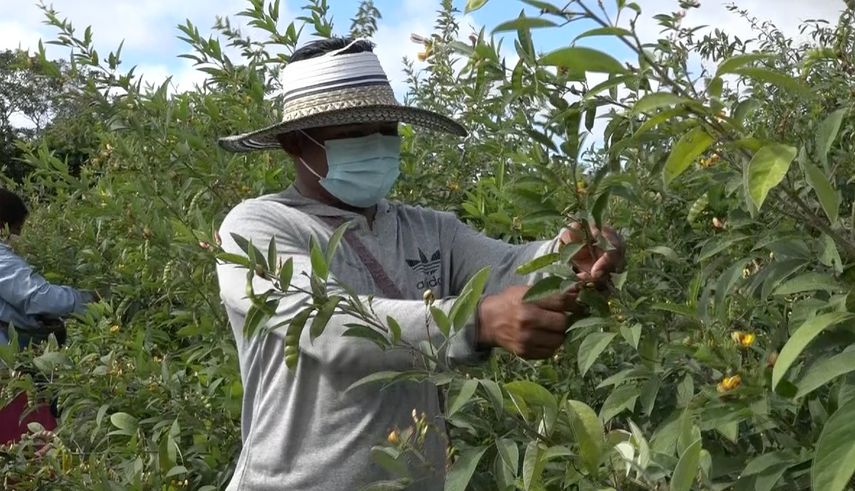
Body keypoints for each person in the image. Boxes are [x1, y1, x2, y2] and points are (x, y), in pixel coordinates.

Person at [215, 37, 625, 491]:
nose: (376, 145)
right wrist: (478, 322)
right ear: (295, 143)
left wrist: (568, 254)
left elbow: (510, 268)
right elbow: (325, 322)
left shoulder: (429, 230)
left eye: (387, 130)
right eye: (353, 134)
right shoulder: (258, 227)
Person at [0, 188, 92, 444]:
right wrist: (88, 299)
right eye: (15, 229)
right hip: (8, 376)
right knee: (30, 450)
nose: (15, 238)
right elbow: (38, 298)